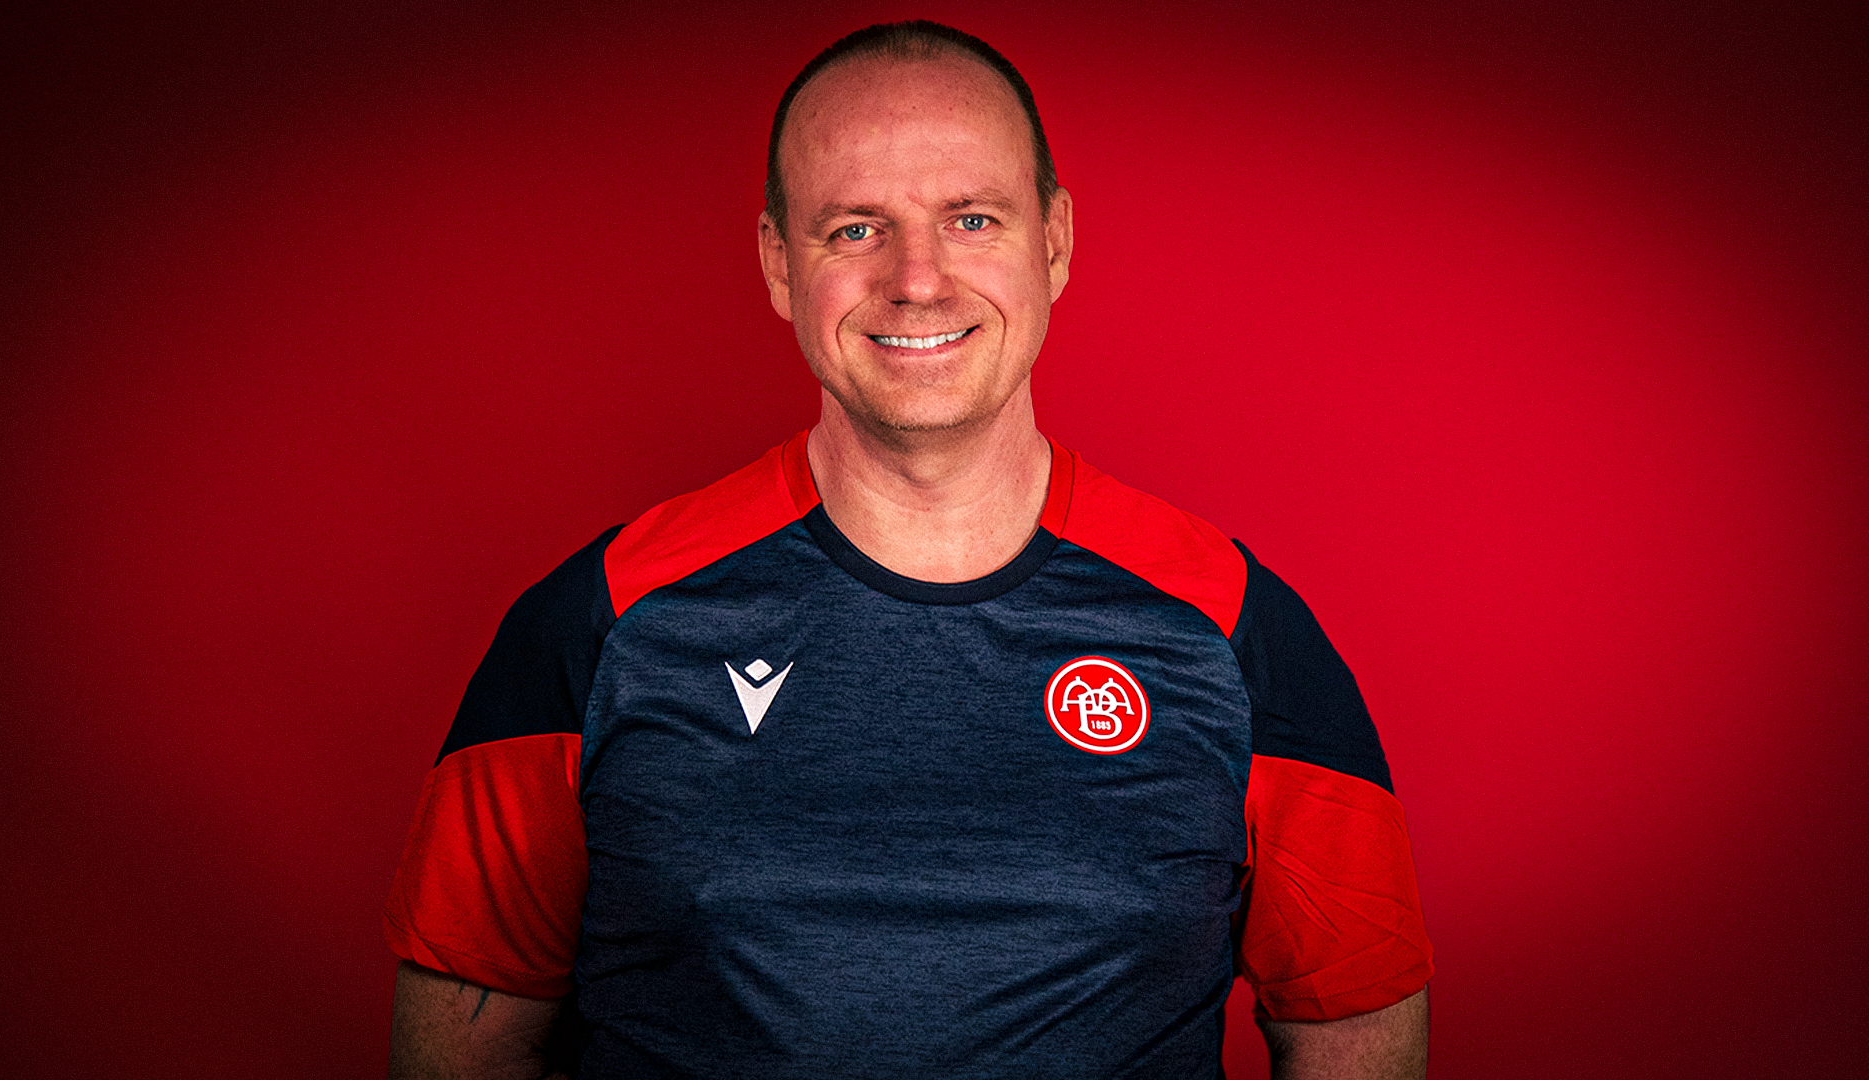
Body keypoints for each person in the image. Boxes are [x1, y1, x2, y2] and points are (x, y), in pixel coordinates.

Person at [385, 20, 1432, 1079]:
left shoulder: (1235, 628)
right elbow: (461, 1050)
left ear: (1054, 242)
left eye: (972, 219)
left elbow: (1352, 1030)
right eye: (855, 230)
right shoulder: (601, 621)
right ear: (778, 263)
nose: (917, 280)